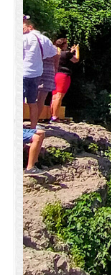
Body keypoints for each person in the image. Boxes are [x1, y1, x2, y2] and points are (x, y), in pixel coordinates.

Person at [22, 16, 57, 174]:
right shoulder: (44, 39)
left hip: (22, 72)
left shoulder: (24, 38)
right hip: (36, 72)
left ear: (29, 26)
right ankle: (33, 125)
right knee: (33, 102)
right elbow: (52, 53)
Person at [50, 38, 79, 122]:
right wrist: (77, 50)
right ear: (63, 45)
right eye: (66, 43)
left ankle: (52, 115)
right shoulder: (66, 54)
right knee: (59, 96)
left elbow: (67, 55)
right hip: (63, 76)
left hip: (55, 75)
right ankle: (55, 116)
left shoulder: (55, 53)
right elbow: (76, 59)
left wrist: (71, 51)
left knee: (54, 96)